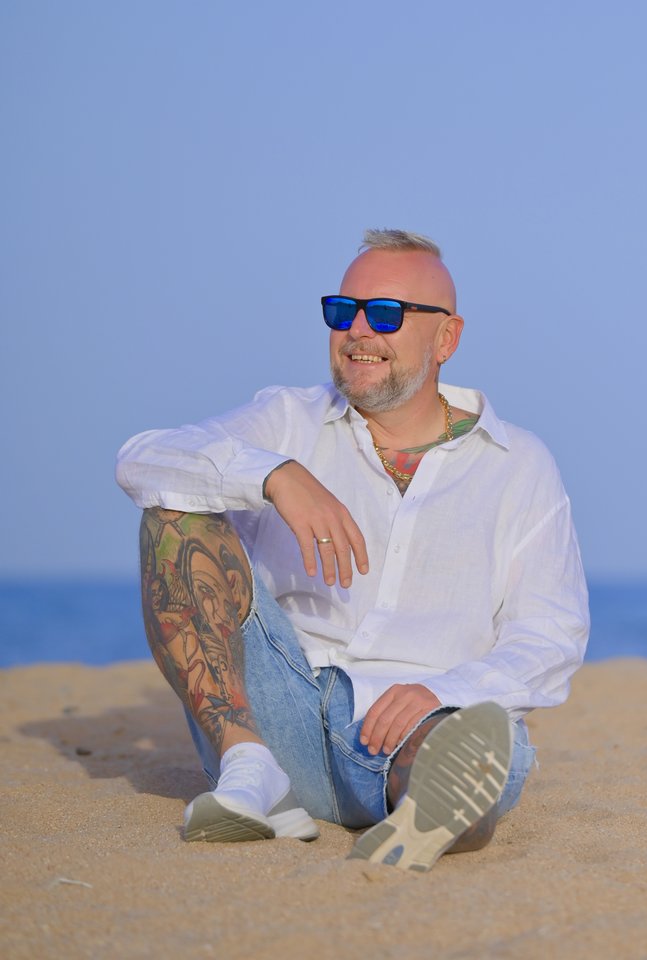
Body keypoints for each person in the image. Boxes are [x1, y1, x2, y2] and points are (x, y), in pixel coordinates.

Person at [116, 229, 589, 871]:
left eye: (386, 313)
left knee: (481, 748)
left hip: (412, 722)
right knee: (175, 514)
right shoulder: (288, 420)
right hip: (273, 709)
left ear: (446, 339)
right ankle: (251, 773)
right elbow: (143, 459)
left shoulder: (519, 465)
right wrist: (275, 475)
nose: (358, 330)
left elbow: (552, 633)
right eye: (343, 310)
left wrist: (444, 690)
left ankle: (426, 812)